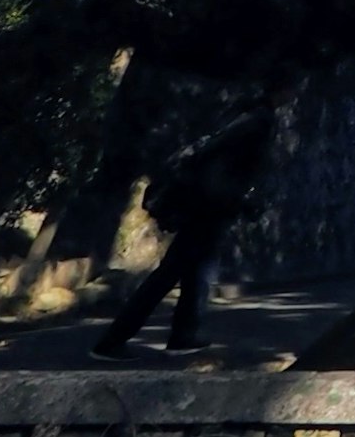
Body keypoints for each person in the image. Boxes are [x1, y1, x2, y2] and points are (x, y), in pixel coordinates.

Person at [100, 87, 277, 356]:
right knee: (172, 273)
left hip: (209, 204)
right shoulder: (257, 121)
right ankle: (113, 340)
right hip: (211, 206)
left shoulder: (239, 114)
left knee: (196, 272)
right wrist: (240, 201)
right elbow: (219, 165)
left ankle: (182, 334)